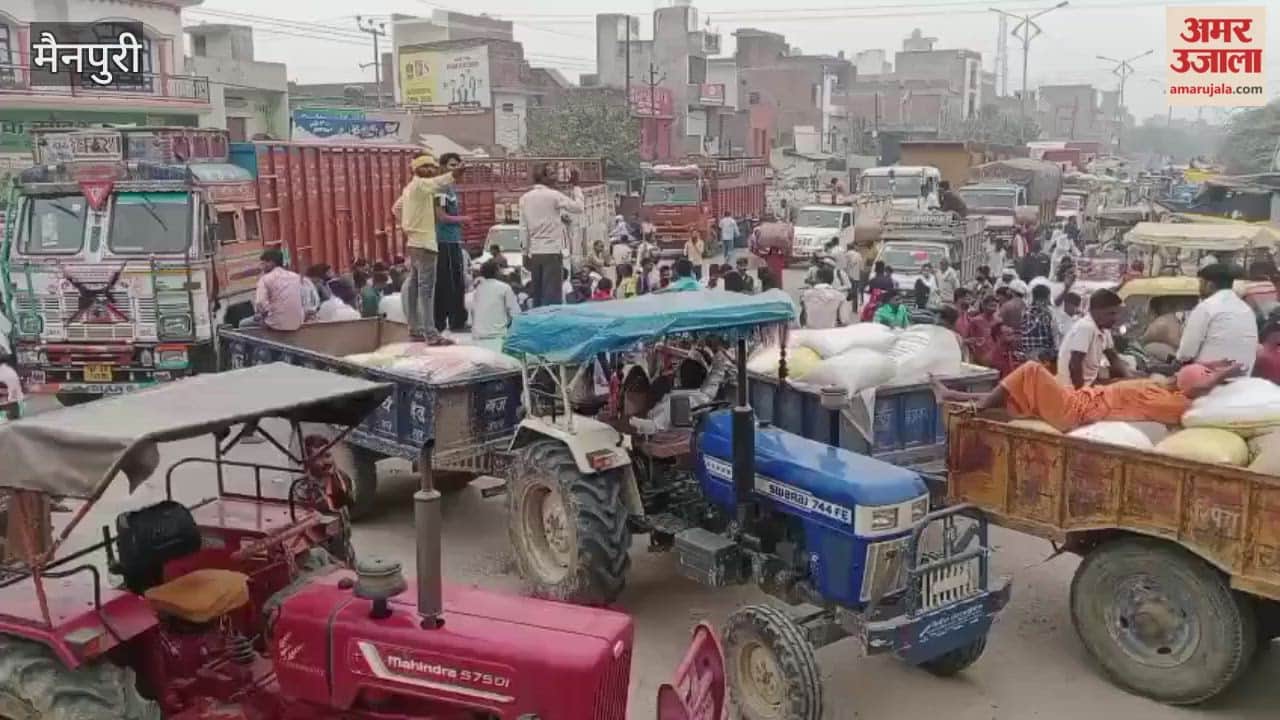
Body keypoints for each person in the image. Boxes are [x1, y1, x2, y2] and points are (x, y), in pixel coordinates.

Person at [933, 359, 1244, 433]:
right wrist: (1219, 366)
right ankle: (957, 396)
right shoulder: (1162, 389)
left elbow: (1197, 387)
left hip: (1075, 411)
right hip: (1077, 399)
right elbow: (1195, 379)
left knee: (1031, 370)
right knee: (1020, 390)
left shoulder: (1176, 402)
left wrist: (1219, 376)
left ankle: (972, 406)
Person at [395, 153, 460, 344]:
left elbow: (396, 208)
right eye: (426, 167)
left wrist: (410, 224)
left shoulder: (410, 189)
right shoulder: (421, 185)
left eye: (432, 167)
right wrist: (455, 173)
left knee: (415, 287)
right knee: (426, 290)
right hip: (425, 244)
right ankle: (430, 334)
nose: (430, 170)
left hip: (414, 243)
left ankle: (415, 329)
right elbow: (438, 183)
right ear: (416, 169)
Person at [520, 163, 584, 307]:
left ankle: (539, 323)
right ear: (543, 177)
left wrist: (525, 253)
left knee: (538, 294)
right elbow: (578, 208)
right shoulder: (554, 196)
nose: (556, 177)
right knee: (552, 296)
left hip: (535, 253)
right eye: (552, 174)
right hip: (552, 252)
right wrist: (576, 186)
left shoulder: (525, 198)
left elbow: (523, 228)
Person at [1176, 263, 1259, 373]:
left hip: (1210, 377)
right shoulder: (1245, 308)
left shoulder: (1207, 306)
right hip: (1244, 375)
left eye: (1201, 283)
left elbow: (1186, 353)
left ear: (1210, 285)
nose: (1199, 288)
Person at [1057, 288, 1128, 389]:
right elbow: (1074, 365)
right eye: (1111, 313)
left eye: (1117, 313)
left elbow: (1113, 358)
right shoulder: (1086, 327)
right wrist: (1083, 395)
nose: (1115, 318)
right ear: (1096, 311)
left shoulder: (1104, 328)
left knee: (1135, 380)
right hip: (1076, 388)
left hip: (1091, 383)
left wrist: (1129, 379)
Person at [243, 249, 304, 330]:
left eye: (263, 263)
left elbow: (260, 304)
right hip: (298, 322)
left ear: (271, 263)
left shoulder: (265, 279)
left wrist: (262, 315)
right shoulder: (295, 277)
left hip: (276, 324)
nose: (262, 267)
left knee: (243, 324)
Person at [470, 260, 521, 352]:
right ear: (496, 272)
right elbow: (516, 313)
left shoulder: (478, 289)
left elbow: (473, 312)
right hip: (498, 337)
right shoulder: (505, 287)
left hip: (478, 337)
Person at [751, 212, 792, 291]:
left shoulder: (758, 230)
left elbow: (754, 245)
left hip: (764, 260)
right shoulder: (780, 254)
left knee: (765, 280)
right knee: (777, 279)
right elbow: (787, 247)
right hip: (776, 262)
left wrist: (758, 252)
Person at [1020, 283, 1058, 363]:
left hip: (1027, 352)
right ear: (1047, 296)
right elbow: (1052, 335)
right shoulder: (1047, 312)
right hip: (1042, 353)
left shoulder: (1026, 311)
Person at [1142, 297, 1184, 362]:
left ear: (1153, 311)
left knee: (1148, 348)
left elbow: (1144, 340)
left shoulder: (1161, 323)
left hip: (1179, 358)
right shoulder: (1174, 319)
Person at [841, 241, 865, 310]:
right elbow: (861, 267)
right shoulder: (858, 254)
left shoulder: (845, 255)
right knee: (855, 292)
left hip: (847, 276)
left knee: (846, 291)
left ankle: (844, 307)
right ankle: (854, 308)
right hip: (856, 276)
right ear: (854, 247)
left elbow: (844, 266)